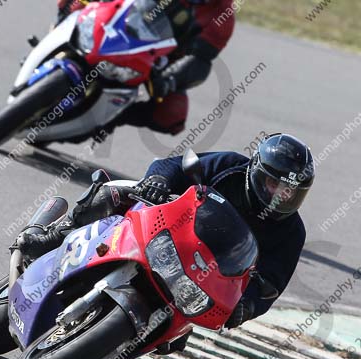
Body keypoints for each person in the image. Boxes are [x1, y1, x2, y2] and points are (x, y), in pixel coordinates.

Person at [17, 133, 314, 333]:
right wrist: (158, 180)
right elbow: (173, 165)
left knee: (174, 336)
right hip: (165, 228)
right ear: (256, 170)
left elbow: (271, 284)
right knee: (113, 194)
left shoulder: (292, 233)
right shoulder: (231, 166)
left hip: (200, 278)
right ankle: (56, 235)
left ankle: (111, 348)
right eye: (274, 184)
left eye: (290, 191)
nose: (280, 196)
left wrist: (247, 306)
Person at [56, 0, 235, 135]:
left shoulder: (223, 16)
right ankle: (60, 29)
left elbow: (200, 60)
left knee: (173, 114)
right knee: (76, 6)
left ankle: (111, 118)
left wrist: (169, 80)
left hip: (156, 61)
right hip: (115, 21)